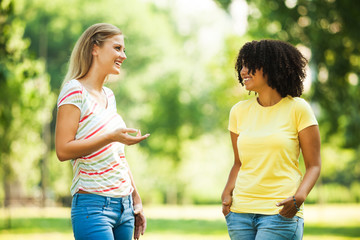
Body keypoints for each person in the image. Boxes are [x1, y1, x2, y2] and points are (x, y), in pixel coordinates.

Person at [55, 23, 149, 240]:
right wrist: (110, 136)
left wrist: (135, 199)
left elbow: (117, 155)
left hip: (124, 207)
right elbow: (63, 150)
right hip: (93, 207)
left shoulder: (109, 96)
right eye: (117, 48)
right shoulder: (74, 90)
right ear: (94, 48)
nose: (123, 55)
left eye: (124, 50)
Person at [221, 39, 321, 240]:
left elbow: (314, 165)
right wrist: (226, 195)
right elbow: (239, 163)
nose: (243, 71)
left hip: (279, 213)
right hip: (240, 213)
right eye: (241, 65)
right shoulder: (238, 111)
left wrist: (298, 198)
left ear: (271, 66)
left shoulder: (298, 109)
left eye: (250, 65)